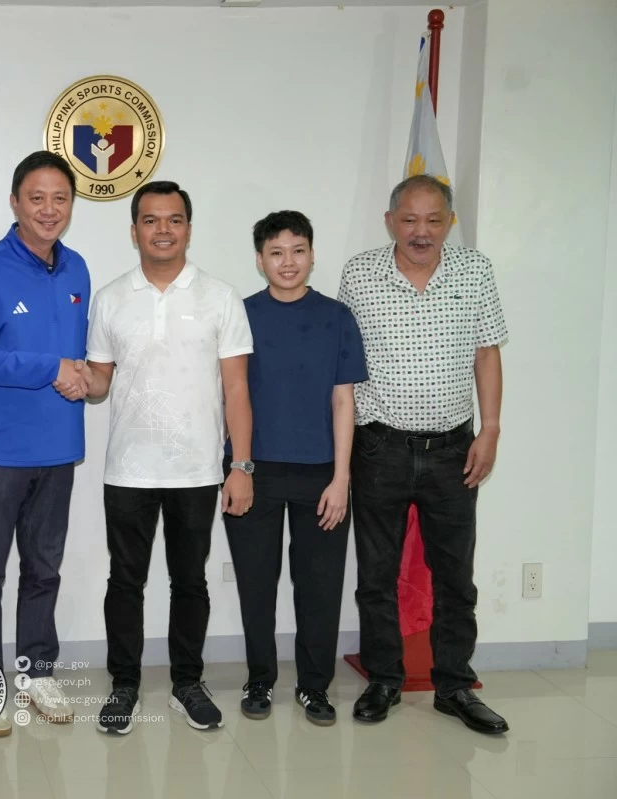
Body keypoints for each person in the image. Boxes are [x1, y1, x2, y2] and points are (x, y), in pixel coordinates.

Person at [338, 175, 509, 734]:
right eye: (409, 220)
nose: (421, 231)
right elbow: (342, 365)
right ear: (390, 221)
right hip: (380, 446)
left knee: (456, 575)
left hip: (453, 450)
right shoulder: (359, 274)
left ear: (449, 223)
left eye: (434, 220)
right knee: (377, 574)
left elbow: (487, 354)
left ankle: (454, 685)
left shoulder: (475, 270)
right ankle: (384, 679)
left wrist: (491, 429)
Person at [85, 181, 253, 735]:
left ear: (188, 228)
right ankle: (124, 686)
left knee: (191, 582)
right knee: (124, 581)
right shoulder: (110, 298)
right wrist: (65, 376)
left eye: (174, 219)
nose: (163, 230)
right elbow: (100, 382)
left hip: (198, 469)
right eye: (151, 220)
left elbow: (237, 391)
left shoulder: (221, 297)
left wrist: (241, 465)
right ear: (133, 230)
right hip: (128, 468)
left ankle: (187, 683)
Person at [0, 151, 91, 736]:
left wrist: (85, 373)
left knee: (44, 570)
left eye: (60, 199)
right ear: (14, 202)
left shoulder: (78, 268)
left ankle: (35, 675)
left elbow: (85, 356)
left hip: (58, 448)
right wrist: (49, 367)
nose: (49, 209)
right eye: (37, 198)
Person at [223, 211, 367, 727]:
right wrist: (237, 468)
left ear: (312, 255)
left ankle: (314, 688)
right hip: (253, 472)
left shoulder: (336, 317)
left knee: (320, 586)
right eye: (277, 252)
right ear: (260, 259)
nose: (289, 262)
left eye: (298, 250)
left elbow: (343, 402)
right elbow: (229, 394)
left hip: (321, 475)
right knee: (256, 584)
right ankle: (259, 679)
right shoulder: (238, 314)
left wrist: (342, 479)